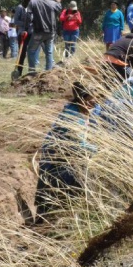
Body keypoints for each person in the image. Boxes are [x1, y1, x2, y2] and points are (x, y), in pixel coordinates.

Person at [35, 82, 99, 217]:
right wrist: (99, 150)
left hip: (63, 158)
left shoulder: (80, 110)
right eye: (90, 99)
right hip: (55, 163)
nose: (95, 102)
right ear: (81, 100)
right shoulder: (72, 118)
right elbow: (79, 145)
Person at [27, 0, 63, 72]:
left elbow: (29, 17)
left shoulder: (33, 2)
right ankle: (48, 70)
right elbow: (59, 8)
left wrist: (29, 25)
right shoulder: (52, 3)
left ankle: (32, 71)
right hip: (50, 33)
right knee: (49, 51)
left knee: (31, 50)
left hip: (38, 32)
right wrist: (58, 1)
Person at [12, 0, 33, 77]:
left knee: (32, 52)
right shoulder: (20, 7)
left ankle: (32, 71)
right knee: (22, 53)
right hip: (22, 33)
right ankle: (18, 72)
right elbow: (16, 21)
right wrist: (24, 25)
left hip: (31, 32)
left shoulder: (33, 8)